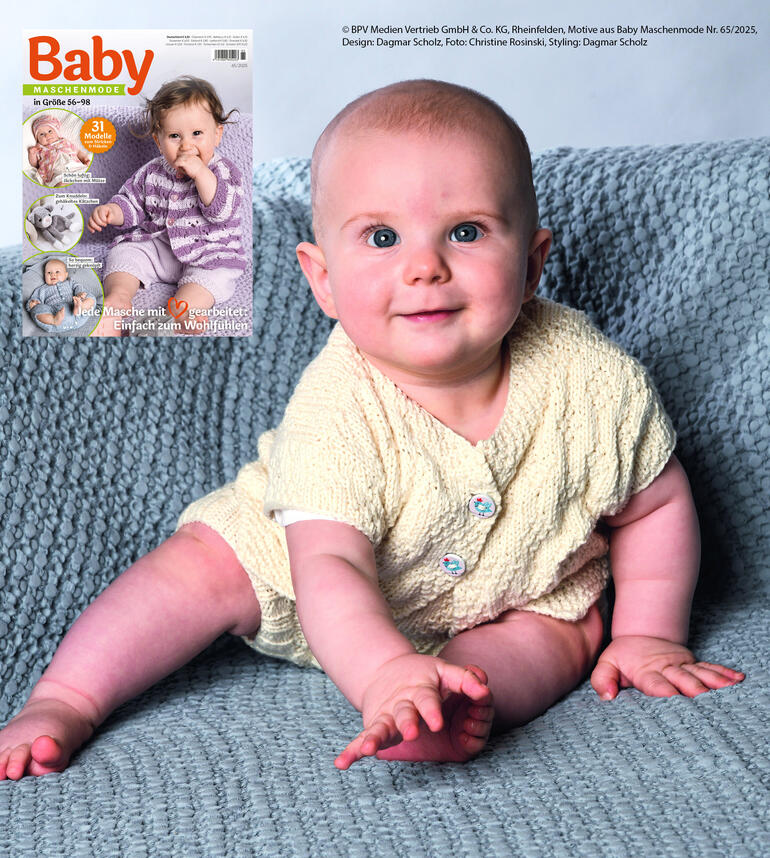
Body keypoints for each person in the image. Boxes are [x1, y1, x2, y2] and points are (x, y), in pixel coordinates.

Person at [0, 79, 744, 780]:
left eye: (466, 231)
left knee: (561, 633)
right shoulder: (337, 407)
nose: (425, 266)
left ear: (531, 265)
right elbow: (330, 567)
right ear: (323, 280)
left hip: (519, 586)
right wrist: (383, 671)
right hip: (310, 571)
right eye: (383, 237)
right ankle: (67, 695)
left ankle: (451, 709)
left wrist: (648, 632)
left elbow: (654, 505)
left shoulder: (593, 378)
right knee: (200, 566)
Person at [87, 76, 245, 336]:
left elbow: (221, 211)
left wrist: (200, 173)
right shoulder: (152, 172)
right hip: (162, 248)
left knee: (210, 280)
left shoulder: (223, 171)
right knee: (125, 252)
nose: (186, 145)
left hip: (210, 253)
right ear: (159, 141)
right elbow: (132, 201)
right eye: (174, 136)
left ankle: (182, 313)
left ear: (217, 134)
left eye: (197, 134)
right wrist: (112, 212)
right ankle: (118, 298)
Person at [26, 257, 95, 329]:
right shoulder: (42, 289)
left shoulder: (70, 282)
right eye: (49, 272)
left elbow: (78, 287)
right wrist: (32, 304)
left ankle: (81, 308)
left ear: (65, 275)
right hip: (56, 315)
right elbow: (35, 299)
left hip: (76, 311)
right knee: (36, 310)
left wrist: (80, 294)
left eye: (57, 272)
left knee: (90, 297)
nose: (53, 274)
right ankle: (53, 320)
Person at [27, 114, 90, 187]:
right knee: (61, 184)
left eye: (50, 131)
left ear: (56, 132)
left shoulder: (64, 141)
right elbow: (35, 165)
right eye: (41, 134)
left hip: (74, 166)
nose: (47, 135)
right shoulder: (40, 149)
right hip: (55, 171)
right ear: (37, 139)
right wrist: (32, 154)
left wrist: (85, 159)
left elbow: (77, 151)